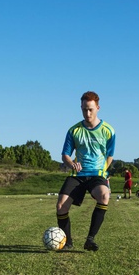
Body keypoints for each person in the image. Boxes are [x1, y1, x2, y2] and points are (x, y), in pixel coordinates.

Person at [56, 91, 116, 252]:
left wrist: (103, 172)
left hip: (97, 175)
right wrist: (71, 164)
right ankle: (67, 242)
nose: (87, 113)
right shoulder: (74, 131)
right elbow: (65, 155)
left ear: (98, 107)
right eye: (84, 109)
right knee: (61, 206)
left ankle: (90, 239)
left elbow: (110, 155)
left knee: (104, 195)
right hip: (78, 175)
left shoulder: (108, 130)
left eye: (90, 109)